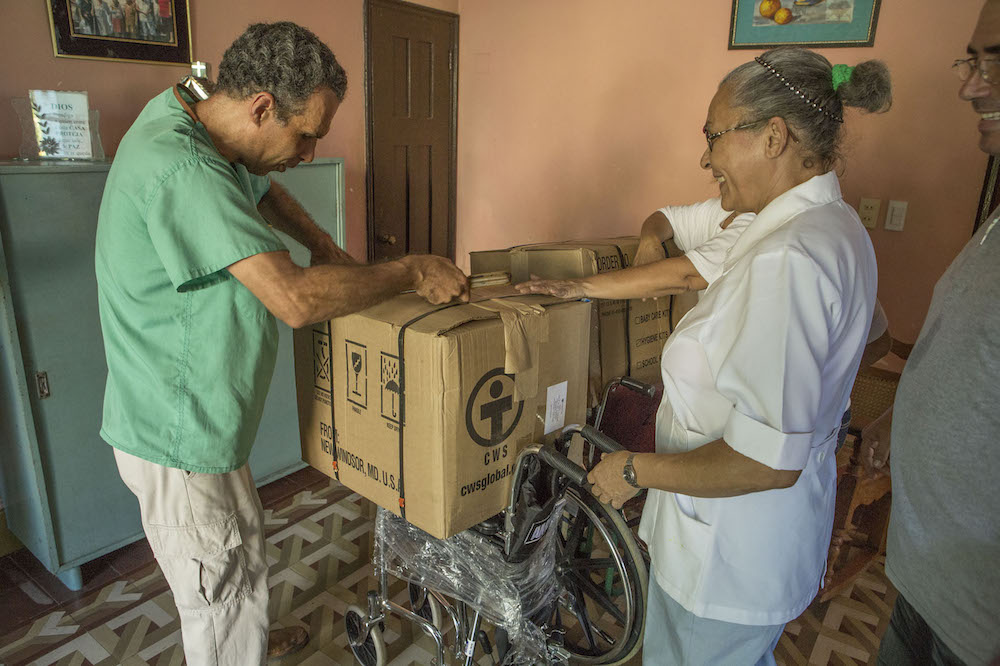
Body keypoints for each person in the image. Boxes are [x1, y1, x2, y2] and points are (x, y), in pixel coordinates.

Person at [95, 22, 467, 666]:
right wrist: (408, 270)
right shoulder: (184, 168)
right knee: (216, 592)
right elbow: (293, 300)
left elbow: (264, 186)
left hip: (202, 417)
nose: (308, 150)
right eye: (306, 135)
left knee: (239, 548)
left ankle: (251, 636)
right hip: (176, 429)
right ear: (262, 107)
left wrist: (323, 244)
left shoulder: (197, 117)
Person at [528, 47, 891, 664]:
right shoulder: (837, 228)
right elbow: (872, 338)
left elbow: (765, 463)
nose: (704, 157)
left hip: (727, 558)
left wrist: (633, 471)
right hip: (767, 545)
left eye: (714, 136)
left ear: (773, 137)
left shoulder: (787, 259)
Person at [865, 2, 1000, 664]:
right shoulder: (995, 221)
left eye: (993, 59)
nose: (970, 85)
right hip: (929, 587)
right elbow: (968, 355)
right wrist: (903, 410)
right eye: (970, 61)